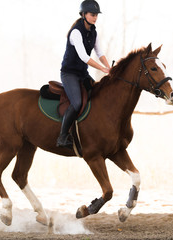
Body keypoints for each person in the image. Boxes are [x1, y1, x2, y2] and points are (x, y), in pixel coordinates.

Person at [57, 0, 110, 148]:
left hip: (82, 73)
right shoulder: (76, 32)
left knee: (98, 95)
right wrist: (102, 69)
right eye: (92, 15)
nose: (95, 18)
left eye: (96, 15)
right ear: (83, 14)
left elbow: (100, 52)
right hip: (69, 74)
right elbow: (84, 57)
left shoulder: (94, 32)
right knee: (77, 103)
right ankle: (62, 137)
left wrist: (109, 67)